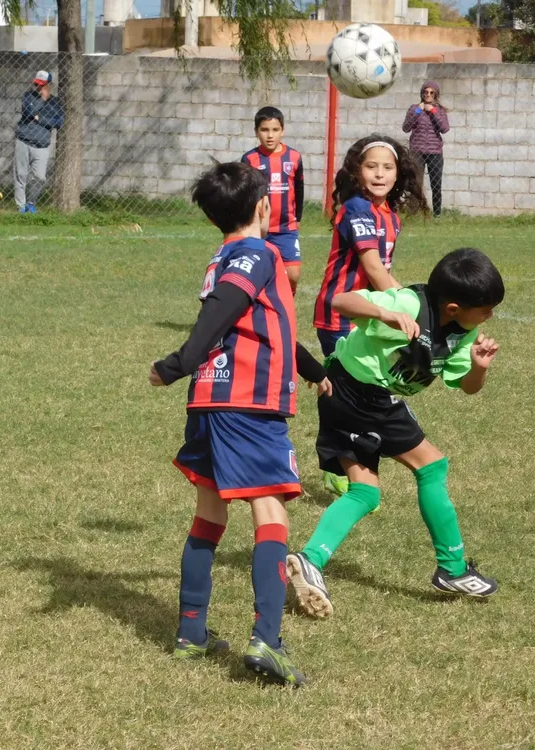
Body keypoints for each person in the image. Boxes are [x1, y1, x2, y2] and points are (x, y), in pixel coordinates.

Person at [149, 161, 331, 688]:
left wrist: (315, 370)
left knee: (210, 511)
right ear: (263, 209)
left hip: (211, 401)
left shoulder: (227, 255)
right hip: (247, 404)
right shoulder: (257, 254)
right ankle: (267, 640)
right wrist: (178, 360)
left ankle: (191, 632)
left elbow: (260, 320)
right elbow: (224, 310)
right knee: (269, 509)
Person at [286, 248, 504, 621]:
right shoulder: (408, 302)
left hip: (367, 398)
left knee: (366, 493)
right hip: (354, 392)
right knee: (432, 467)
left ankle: (310, 560)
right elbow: (339, 300)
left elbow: (467, 387)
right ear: (452, 307)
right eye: (484, 310)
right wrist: (384, 312)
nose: (490, 316)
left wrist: (479, 367)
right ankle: (451, 569)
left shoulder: (464, 334)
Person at [313, 134, 427, 497]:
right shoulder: (356, 209)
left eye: (387, 167)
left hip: (373, 314)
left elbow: (383, 274)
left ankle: (353, 462)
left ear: (400, 173)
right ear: (356, 171)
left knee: (368, 387)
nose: (379, 174)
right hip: (342, 314)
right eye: (371, 166)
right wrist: (413, 307)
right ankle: (337, 463)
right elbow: (375, 271)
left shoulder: (390, 216)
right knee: (343, 389)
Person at [240, 106, 304, 294]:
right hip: (258, 227)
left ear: (282, 131)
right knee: (256, 274)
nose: (270, 135)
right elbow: (245, 193)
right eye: (264, 130)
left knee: (293, 275)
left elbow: (299, 189)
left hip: (286, 228)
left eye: (275, 130)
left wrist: (298, 217)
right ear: (256, 132)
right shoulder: (250, 159)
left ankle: (286, 306)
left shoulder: (294, 157)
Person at [14, 70, 64, 214]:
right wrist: (42, 99)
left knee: (40, 177)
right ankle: (21, 207)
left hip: (41, 144)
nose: (38, 87)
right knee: (21, 175)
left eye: (41, 85)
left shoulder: (55, 102)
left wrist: (40, 119)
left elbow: (58, 122)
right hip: (24, 140)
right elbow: (29, 112)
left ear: (49, 85)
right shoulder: (28, 96)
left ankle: (31, 202)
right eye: (36, 84)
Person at [402, 81, 450, 218]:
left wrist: (433, 111)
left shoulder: (439, 111)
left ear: (436, 95)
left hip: (435, 152)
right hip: (417, 151)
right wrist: (418, 111)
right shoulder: (414, 109)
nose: (428, 95)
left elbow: (445, 128)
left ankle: (437, 214)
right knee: (415, 183)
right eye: (425, 92)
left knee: (436, 184)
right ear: (422, 93)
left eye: (431, 93)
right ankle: (413, 214)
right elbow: (406, 128)